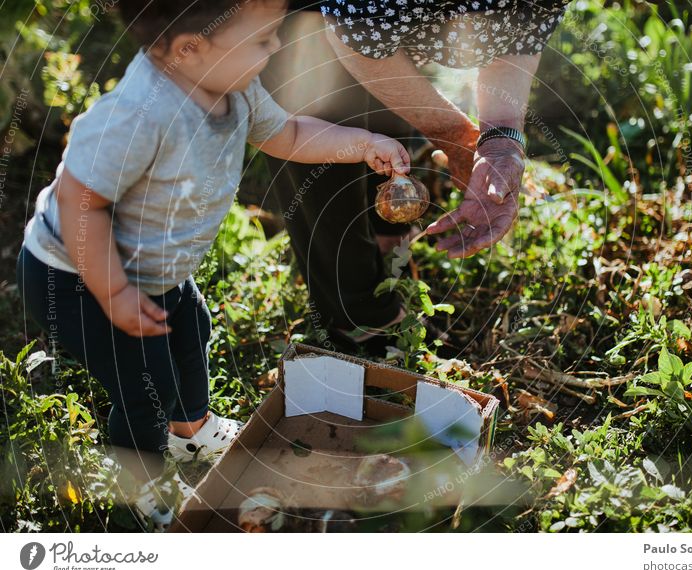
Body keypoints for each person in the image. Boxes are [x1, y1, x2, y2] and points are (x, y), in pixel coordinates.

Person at [16, 0, 410, 529]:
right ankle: (142, 481)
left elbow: (287, 134)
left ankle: (192, 430)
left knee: (190, 331)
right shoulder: (138, 114)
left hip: (157, 271)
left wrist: (361, 143)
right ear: (189, 49)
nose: (275, 47)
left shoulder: (235, 86)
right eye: (263, 39)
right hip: (78, 277)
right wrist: (114, 293)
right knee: (144, 382)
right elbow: (80, 200)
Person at [260, 0, 571, 352]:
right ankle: (357, 313)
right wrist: (454, 135)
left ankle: (387, 243)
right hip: (308, 19)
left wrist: (501, 139)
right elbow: (356, 32)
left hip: (373, 28)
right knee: (322, 133)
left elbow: (521, 34)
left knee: (389, 121)